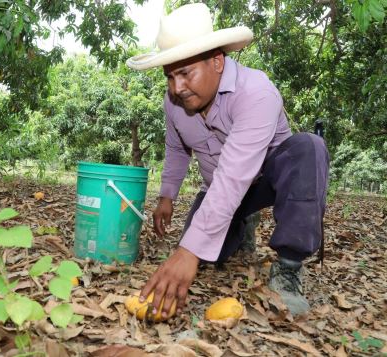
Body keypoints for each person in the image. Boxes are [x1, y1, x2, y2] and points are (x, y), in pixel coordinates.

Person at [126, 3, 329, 317]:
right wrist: (167, 197)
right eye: (169, 76)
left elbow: (235, 174)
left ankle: (289, 267)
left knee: (308, 148)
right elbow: (177, 149)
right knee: (208, 253)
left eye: (184, 73)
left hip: (265, 182)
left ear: (217, 62)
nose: (176, 87)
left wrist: (187, 252)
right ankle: (242, 224)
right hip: (218, 188)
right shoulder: (174, 101)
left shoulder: (257, 92)